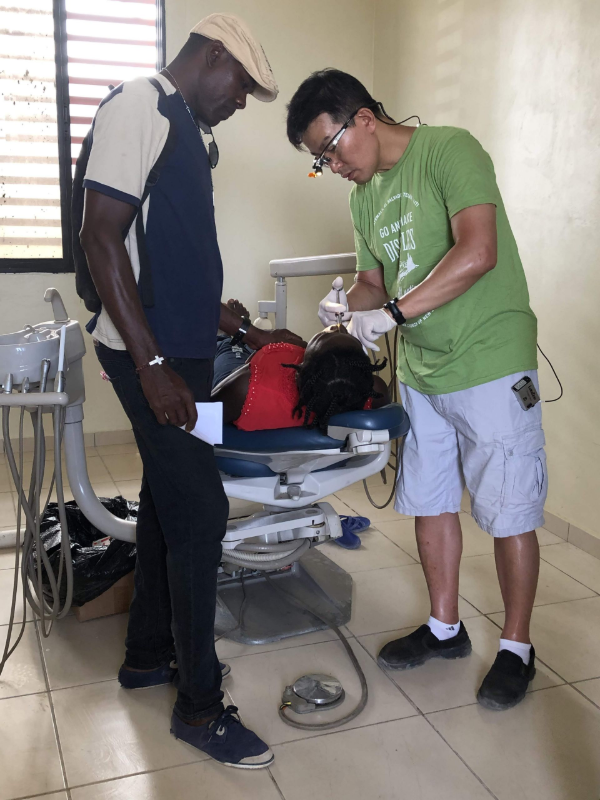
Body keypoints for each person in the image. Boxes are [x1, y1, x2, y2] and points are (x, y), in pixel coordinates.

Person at [286, 69, 547, 711]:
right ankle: (444, 628)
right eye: (319, 161)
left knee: (509, 505)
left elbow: (478, 250)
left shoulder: (450, 151)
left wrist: (394, 315)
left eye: (331, 150)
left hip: (488, 356)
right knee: (431, 500)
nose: (332, 166)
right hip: (423, 369)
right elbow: (374, 282)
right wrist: (348, 300)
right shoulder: (363, 197)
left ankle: (516, 647)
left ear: (364, 119)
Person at [79, 14, 300, 769]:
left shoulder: (177, 125)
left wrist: (213, 310)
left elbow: (163, 247)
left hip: (186, 356)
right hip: (156, 366)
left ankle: (147, 656)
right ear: (212, 58)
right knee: (201, 508)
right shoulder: (139, 105)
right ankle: (200, 709)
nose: (240, 102)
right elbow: (101, 236)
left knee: (172, 503)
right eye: (241, 85)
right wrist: (150, 366)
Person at [212, 301, 390, 430]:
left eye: (322, 337)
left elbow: (204, 418)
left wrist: (254, 339)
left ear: (300, 370)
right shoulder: (371, 391)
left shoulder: (245, 388)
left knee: (231, 348)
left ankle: (227, 334)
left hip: (232, 372)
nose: (338, 327)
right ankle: (236, 327)